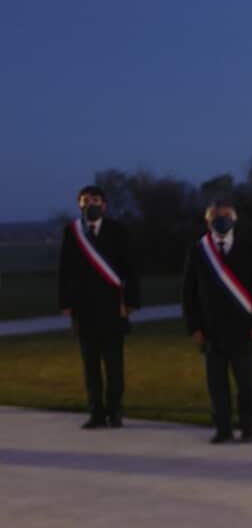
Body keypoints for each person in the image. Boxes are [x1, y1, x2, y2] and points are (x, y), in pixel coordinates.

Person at [181, 200, 252, 444]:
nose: (221, 220)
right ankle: (223, 429)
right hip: (211, 331)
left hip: (244, 329)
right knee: (217, 385)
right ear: (207, 221)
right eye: (215, 217)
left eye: (226, 216)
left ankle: (248, 428)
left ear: (235, 219)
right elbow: (189, 293)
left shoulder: (249, 248)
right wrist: (194, 327)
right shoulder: (198, 251)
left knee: (247, 385)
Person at [57, 184, 139, 429]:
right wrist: (65, 302)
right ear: (79, 204)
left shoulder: (117, 230)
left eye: (94, 200)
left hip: (113, 308)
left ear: (104, 205)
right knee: (90, 366)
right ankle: (96, 413)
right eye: (85, 200)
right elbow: (65, 269)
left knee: (114, 366)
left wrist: (131, 301)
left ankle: (115, 412)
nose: (89, 204)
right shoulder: (72, 232)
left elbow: (130, 267)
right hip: (84, 309)